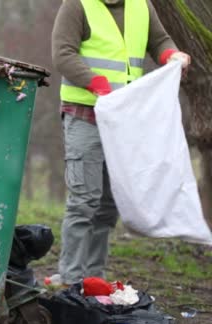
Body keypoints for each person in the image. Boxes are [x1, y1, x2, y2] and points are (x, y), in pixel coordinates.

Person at [50, 0, 191, 285]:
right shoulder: (78, 5)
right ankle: (70, 279)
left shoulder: (141, 6)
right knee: (84, 201)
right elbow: (63, 54)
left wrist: (172, 55)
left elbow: (160, 40)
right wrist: (93, 81)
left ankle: (93, 279)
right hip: (84, 114)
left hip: (123, 120)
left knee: (106, 205)